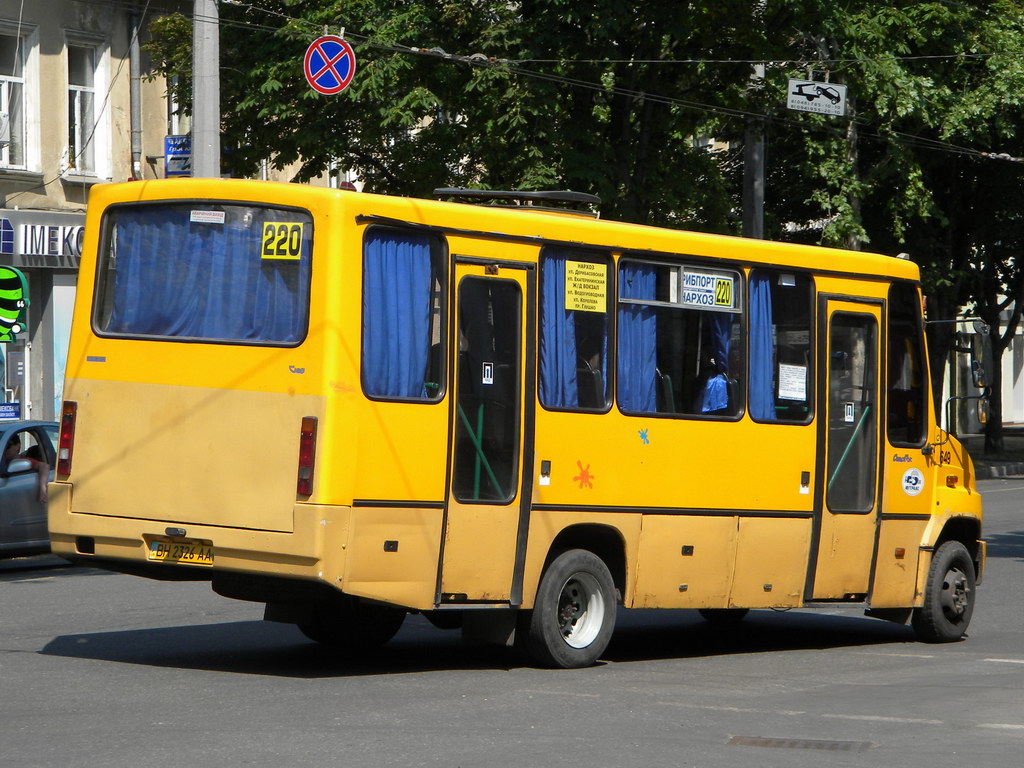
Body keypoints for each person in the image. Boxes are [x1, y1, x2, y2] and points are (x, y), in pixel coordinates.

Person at [4, 434, 49, 504]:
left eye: (7, 446)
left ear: (17, 446)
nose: (4, 450)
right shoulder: (2, 461)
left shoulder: (25, 460)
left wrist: (43, 488)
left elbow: (44, 466)